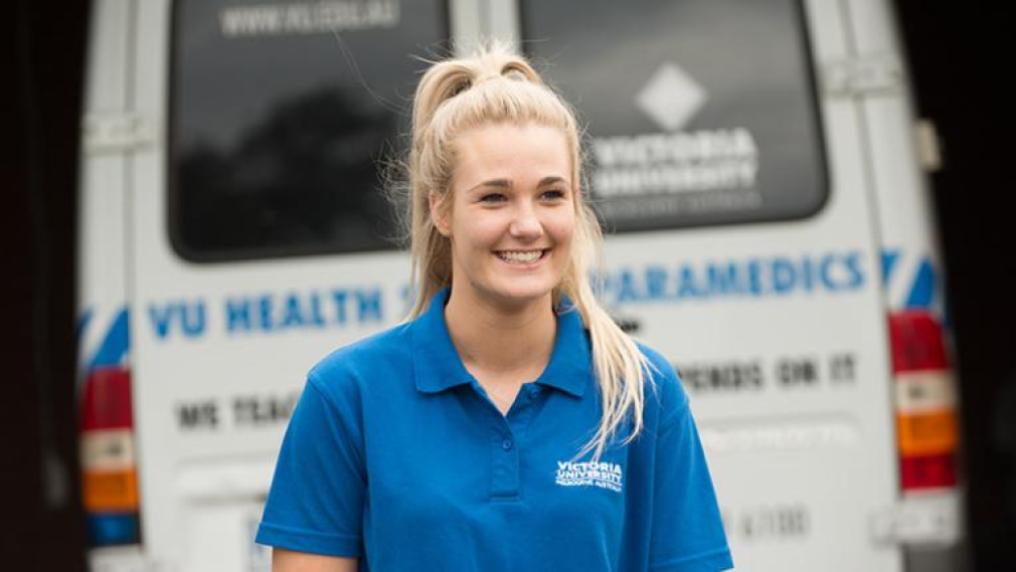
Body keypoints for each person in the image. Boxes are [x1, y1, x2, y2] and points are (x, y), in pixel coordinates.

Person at [255, 44, 733, 572]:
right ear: (440, 208)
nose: (527, 225)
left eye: (550, 195)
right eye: (494, 198)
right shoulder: (348, 394)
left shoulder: (640, 392)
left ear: (576, 202)